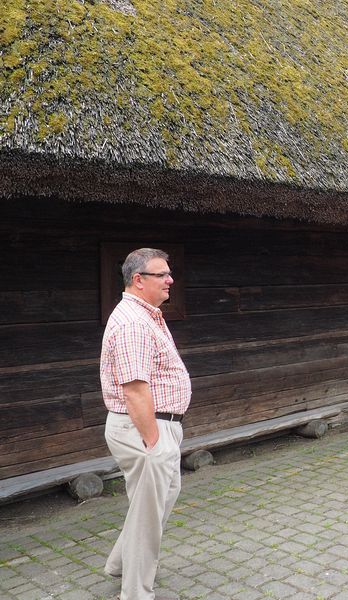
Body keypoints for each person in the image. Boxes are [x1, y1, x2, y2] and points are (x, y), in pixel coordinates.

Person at [101, 248, 192, 600]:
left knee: (157, 503)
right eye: (162, 274)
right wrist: (154, 442)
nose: (170, 280)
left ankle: (119, 564)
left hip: (157, 426)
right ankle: (136, 593)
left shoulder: (147, 315)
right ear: (139, 280)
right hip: (146, 429)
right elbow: (135, 389)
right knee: (148, 517)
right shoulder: (132, 323)